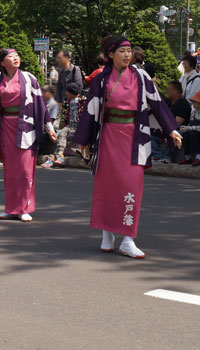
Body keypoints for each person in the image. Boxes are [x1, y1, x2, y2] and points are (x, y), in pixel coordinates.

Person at [73, 36, 182, 259]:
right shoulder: (101, 80)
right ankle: (106, 234)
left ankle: (127, 239)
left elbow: (157, 104)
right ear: (110, 55)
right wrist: (83, 139)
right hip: (109, 136)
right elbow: (91, 112)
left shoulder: (141, 77)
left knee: (131, 185)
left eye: (129, 51)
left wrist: (172, 129)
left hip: (135, 137)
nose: (126, 55)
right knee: (107, 186)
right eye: (121, 51)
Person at [0, 48, 57, 222]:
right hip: (7, 127)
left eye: (17, 55)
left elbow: (40, 106)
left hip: (26, 126)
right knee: (10, 170)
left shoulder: (29, 79)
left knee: (25, 170)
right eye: (10, 56)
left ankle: (24, 207)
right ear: (2, 63)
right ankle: (11, 207)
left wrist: (49, 127)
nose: (16, 58)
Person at [153, 81, 190, 163]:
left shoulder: (183, 104)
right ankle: (157, 155)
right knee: (150, 131)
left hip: (179, 129)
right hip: (164, 128)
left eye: (169, 90)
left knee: (173, 133)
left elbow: (177, 123)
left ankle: (168, 157)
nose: (167, 92)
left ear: (176, 91)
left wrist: (166, 130)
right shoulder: (167, 102)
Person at [51, 82, 86, 167]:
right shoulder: (66, 102)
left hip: (80, 127)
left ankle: (53, 158)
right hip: (69, 126)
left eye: (67, 91)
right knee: (62, 133)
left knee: (69, 138)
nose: (65, 93)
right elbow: (62, 116)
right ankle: (59, 155)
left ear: (72, 92)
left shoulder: (83, 101)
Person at [179, 91, 200, 166]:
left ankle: (198, 157)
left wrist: (190, 128)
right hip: (193, 129)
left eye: (196, 102)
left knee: (193, 134)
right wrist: (186, 127)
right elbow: (191, 122)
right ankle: (187, 157)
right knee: (186, 134)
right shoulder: (194, 110)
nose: (194, 104)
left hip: (197, 131)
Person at [39, 85, 60, 157]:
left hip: (51, 131)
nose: (42, 93)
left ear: (50, 93)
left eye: (44, 92)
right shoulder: (44, 103)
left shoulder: (53, 104)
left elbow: (51, 121)